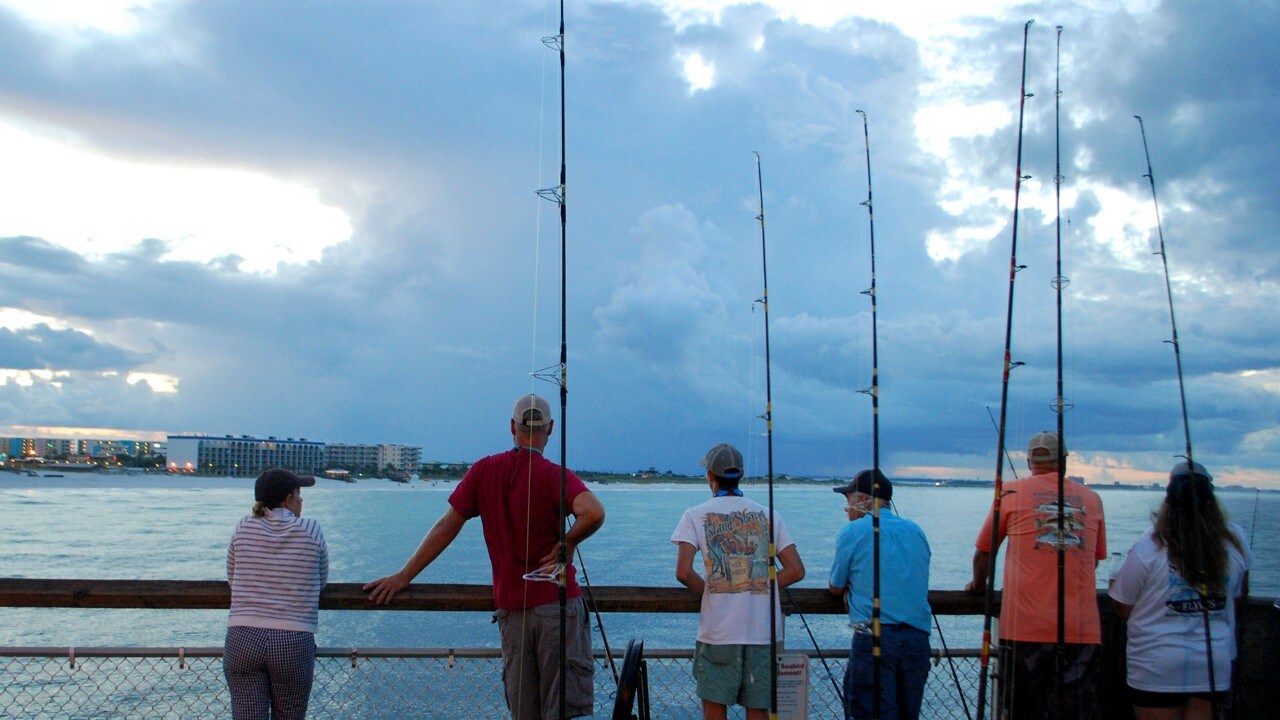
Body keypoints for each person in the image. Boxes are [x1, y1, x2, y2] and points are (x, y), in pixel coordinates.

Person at [364, 393, 606, 720]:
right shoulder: (554, 475)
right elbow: (593, 512)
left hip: (512, 612)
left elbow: (447, 525)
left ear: (512, 426)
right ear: (550, 429)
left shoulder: (484, 471)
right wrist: (568, 542)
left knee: (524, 711)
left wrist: (404, 576)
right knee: (562, 709)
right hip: (558, 608)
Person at [965, 431, 1107, 720]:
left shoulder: (1010, 492)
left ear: (1030, 461)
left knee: (1020, 711)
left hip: (1023, 630)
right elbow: (1092, 562)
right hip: (1081, 631)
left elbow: (984, 553)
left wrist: (979, 585)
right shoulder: (1092, 499)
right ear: (1064, 461)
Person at [671, 442, 805, 720]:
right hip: (765, 632)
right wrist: (757, 583)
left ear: (710, 475)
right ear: (741, 475)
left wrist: (711, 590)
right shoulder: (770, 515)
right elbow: (795, 570)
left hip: (719, 631)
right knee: (758, 710)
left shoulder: (694, 515)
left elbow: (684, 571)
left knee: (714, 708)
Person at [1109, 461, 1251, 720]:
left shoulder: (1148, 547)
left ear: (1169, 498)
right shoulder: (1234, 544)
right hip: (1212, 665)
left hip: (1156, 666)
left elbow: (1122, 605)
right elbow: (1239, 596)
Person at [224, 468, 329, 720]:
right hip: (293, 639)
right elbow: (321, 580)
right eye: (298, 494)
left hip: (243, 637)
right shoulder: (311, 529)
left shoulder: (243, 526)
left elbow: (232, 577)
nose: (301, 500)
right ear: (287, 500)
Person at [828, 469, 932, 720]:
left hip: (873, 637)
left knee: (866, 712)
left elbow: (835, 585)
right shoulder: (915, 530)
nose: (847, 508)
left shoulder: (852, 532)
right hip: (917, 639)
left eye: (848, 500)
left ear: (863, 499)